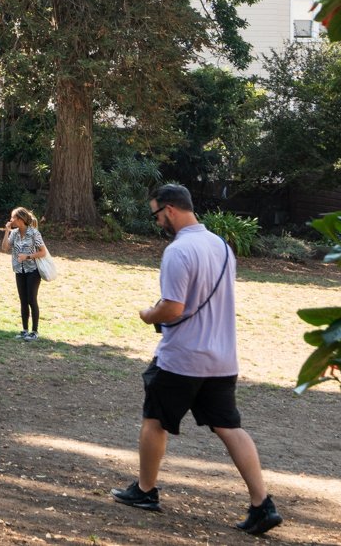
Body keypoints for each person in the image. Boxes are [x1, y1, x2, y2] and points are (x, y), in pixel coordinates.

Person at [111, 183, 282, 536]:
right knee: (229, 427)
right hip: (222, 358)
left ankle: (144, 491)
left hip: (182, 359)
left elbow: (173, 307)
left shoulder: (178, 251)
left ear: (170, 210)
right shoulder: (222, 246)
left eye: (157, 215)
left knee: (154, 420)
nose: (157, 222)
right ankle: (261, 503)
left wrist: (148, 315)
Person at [2, 207, 47, 340]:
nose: (11, 220)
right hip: (19, 270)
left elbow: (42, 252)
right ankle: (24, 330)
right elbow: (5, 248)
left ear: (20, 219)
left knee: (31, 300)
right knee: (23, 301)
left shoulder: (34, 233)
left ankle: (34, 331)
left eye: (13, 218)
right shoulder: (14, 233)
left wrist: (27, 256)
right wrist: (6, 232)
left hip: (32, 270)